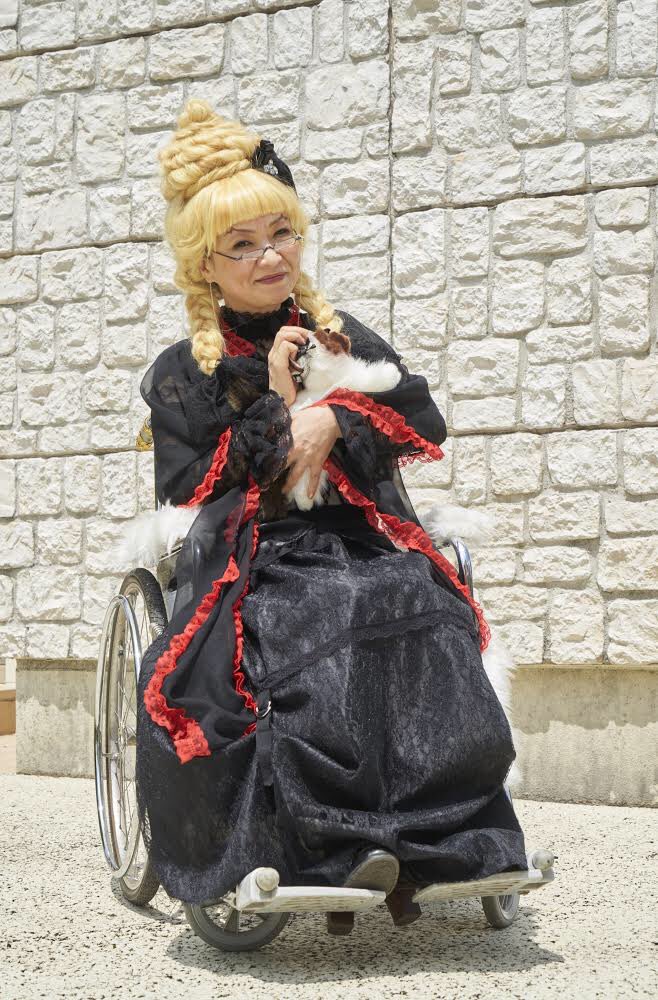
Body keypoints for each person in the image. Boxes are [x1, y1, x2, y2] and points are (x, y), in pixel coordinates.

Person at [135, 100, 527, 935]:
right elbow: (196, 482)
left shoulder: (342, 336)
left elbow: (421, 420)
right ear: (206, 265)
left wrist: (337, 415)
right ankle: (332, 843)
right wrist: (282, 406)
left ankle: (444, 841)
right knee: (326, 610)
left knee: (417, 598)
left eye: (281, 232)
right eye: (243, 244)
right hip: (256, 551)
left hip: (356, 538)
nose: (270, 254)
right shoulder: (185, 371)